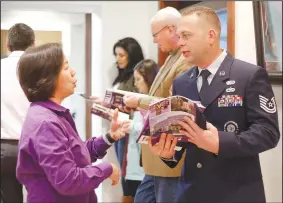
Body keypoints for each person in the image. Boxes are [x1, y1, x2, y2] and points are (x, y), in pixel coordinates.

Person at [148, 6, 280, 203]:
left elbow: (268, 133)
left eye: (186, 35)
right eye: (179, 36)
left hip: (236, 192)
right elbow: (182, 140)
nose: (180, 42)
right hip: (191, 192)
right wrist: (168, 153)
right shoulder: (182, 82)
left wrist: (219, 142)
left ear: (211, 36)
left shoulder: (248, 75)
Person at [16, 43, 131, 203]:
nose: (73, 72)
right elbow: (68, 180)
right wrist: (107, 168)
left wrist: (109, 137)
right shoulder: (46, 123)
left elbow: (76, 154)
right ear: (47, 78)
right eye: (65, 67)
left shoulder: (51, 114)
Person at [122, 7, 194, 203]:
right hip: (155, 157)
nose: (154, 41)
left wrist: (139, 101)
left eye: (155, 35)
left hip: (169, 154)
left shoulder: (185, 60)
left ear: (170, 29)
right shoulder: (172, 57)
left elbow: (176, 105)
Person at [1, 23, 35, 203]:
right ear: (33, 44)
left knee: (9, 199)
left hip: (4, 148)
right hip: (35, 147)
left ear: (8, 45)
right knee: (40, 196)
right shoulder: (39, 70)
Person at [123, 59, 159, 202]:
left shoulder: (153, 103)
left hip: (146, 169)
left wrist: (132, 126)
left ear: (148, 79)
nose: (136, 84)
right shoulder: (139, 103)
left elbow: (152, 131)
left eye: (138, 79)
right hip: (135, 167)